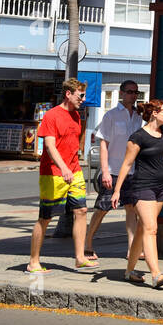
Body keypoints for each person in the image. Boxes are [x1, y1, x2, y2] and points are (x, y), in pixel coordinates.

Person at [112, 98, 163, 289]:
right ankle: (156, 274)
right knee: (151, 229)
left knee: (142, 229)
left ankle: (129, 271)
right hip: (142, 187)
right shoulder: (138, 137)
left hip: (160, 188)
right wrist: (117, 191)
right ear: (154, 113)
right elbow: (126, 164)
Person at [28, 79, 99, 275]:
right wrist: (63, 168)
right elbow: (50, 146)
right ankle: (33, 262)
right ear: (68, 94)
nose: (83, 100)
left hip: (74, 170)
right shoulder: (52, 116)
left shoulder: (76, 115)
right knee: (46, 217)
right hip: (53, 173)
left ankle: (79, 258)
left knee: (82, 210)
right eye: (80, 95)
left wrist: (72, 167)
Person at [85, 82, 143, 261]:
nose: (133, 95)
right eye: (130, 92)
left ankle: (131, 249)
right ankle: (87, 244)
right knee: (102, 208)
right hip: (113, 169)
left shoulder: (138, 117)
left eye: (136, 92)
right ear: (121, 93)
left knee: (131, 210)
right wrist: (105, 171)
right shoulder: (111, 116)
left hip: (131, 171)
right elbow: (103, 144)